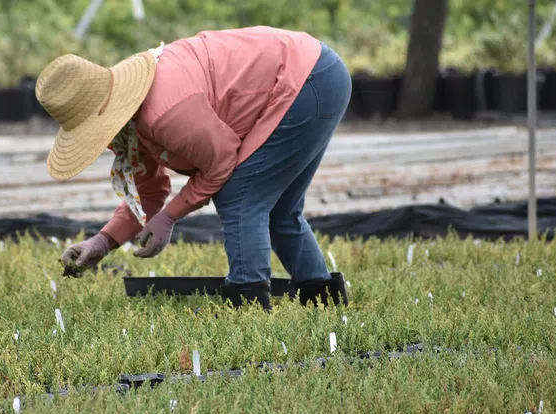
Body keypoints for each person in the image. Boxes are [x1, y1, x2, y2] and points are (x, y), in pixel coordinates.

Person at [37, 26, 351, 311]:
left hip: (306, 81)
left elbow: (221, 164)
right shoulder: (133, 118)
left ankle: (249, 310)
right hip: (316, 74)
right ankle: (322, 302)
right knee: (279, 209)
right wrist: (103, 241)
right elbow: (149, 190)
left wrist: (170, 216)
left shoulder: (164, 111)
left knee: (240, 196)